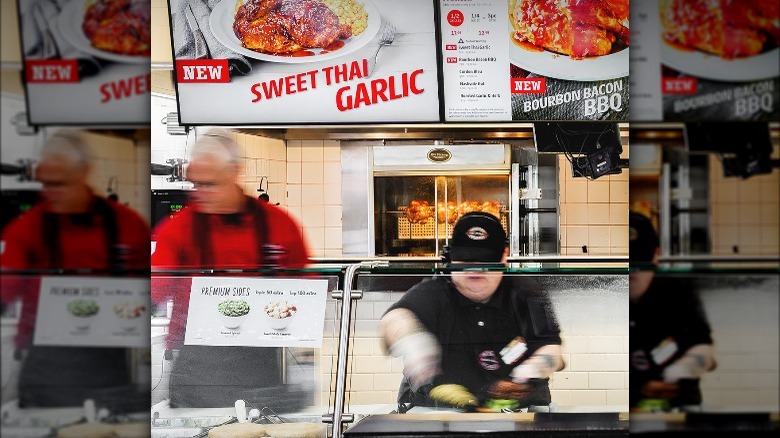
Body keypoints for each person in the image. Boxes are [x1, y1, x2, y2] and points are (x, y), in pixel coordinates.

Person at [151, 128, 312, 409]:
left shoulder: (277, 225)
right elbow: (154, 289)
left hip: (258, 369)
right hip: (196, 374)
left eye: (210, 184)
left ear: (234, 172)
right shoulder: (179, 228)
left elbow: (304, 295)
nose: (201, 193)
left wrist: (306, 368)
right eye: (196, 184)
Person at [0, 130, 151, 408]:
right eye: (46, 184)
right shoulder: (27, 228)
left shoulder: (126, 224)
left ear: (84, 172)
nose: (51, 193)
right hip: (45, 366)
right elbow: (6, 290)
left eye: (60, 183)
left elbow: (150, 290)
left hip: (109, 366)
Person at [380, 212, 564, 412]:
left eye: (486, 262)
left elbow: (552, 349)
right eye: (465, 261)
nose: (475, 271)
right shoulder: (435, 291)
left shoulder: (527, 293)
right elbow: (394, 319)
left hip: (516, 416)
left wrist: (532, 369)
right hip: (438, 415)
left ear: (504, 256)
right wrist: (412, 343)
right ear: (451, 258)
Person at [629, 211, 716, 411]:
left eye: (638, 261)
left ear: (656, 255)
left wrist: (682, 369)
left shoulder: (678, 292)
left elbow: (702, 346)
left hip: (681, 407)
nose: (631, 270)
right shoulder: (604, 299)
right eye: (624, 261)